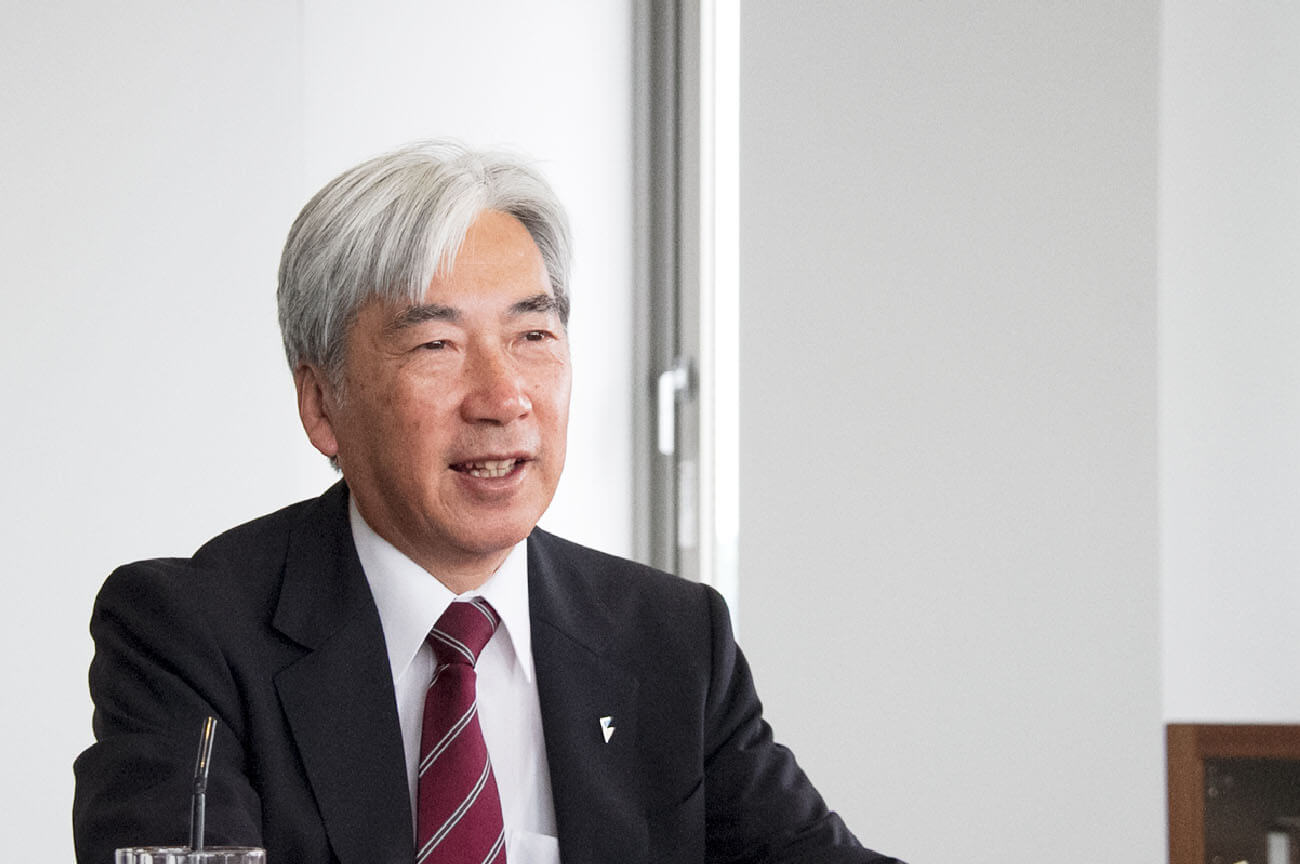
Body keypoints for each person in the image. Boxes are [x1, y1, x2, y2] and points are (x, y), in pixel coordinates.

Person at [72, 141, 904, 864]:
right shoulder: (190, 635)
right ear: (322, 404)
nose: (503, 398)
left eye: (533, 336)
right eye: (436, 344)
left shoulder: (672, 640)